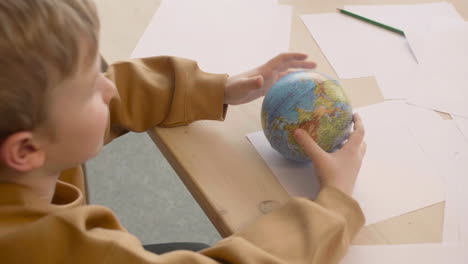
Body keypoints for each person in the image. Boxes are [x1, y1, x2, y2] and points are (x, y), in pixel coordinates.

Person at [0, 0, 367, 263]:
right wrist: (333, 205)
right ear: (25, 151)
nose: (108, 88)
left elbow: (115, 93)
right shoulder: (68, 250)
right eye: (88, 90)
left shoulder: (26, 133)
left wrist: (214, 89)